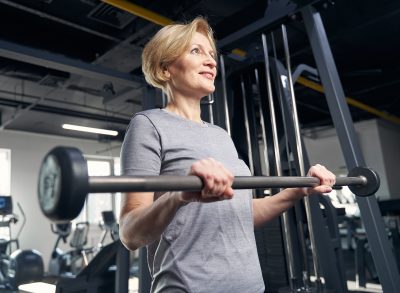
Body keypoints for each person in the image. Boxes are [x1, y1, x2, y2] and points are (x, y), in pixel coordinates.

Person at [119, 16, 336, 293]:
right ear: (165, 69)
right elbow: (129, 234)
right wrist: (179, 196)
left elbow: (241, 214)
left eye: (211, 53)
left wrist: (299, 189)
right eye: (196, 51)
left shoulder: (221, 135)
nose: (211, 61)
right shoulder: (148, 125)